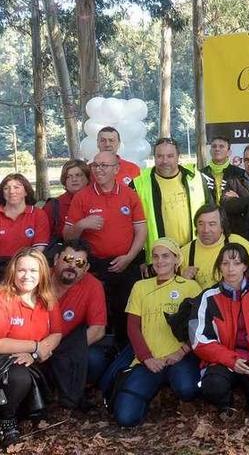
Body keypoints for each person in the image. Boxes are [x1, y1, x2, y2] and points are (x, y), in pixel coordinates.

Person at [192, 243, 249, 422]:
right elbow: (198, 340)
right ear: (219, 266)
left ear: (245, 266)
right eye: (225, 263)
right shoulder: (207, 297)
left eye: (236, 263)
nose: (230, 269)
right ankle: (225, 404)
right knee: (213, 386)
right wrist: (231, 360)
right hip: (223, 362)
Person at [111, 238, 201, 427]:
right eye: (156, 256)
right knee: (126, 418)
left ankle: (177, 394)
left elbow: (200, 327)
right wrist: (146, 358)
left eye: (166, 256)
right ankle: (148, 396)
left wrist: (181, 352)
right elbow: (132, 326)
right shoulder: (140, 287)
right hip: (148, 361)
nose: (160, 261)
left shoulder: (190, 287)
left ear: (177, 259)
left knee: (187, 389)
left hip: (178, 358)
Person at [65, 151, 146, 344]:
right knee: (98, 316)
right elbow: (67, 236)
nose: (98, 170)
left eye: (104, 165)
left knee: (127, 315)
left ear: (116, 169)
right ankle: (100, 355)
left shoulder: (130, 195)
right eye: (95, 165)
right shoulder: (82, 197)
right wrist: (82, 224)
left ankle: (125, 356)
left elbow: (141, 231)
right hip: (94, 268)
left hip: (126, 264)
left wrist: (129, 257)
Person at [0, 249, 61, 447]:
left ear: (42, 273)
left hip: (33, 358)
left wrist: (35, 353)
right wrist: (35, 346)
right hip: (4, 358)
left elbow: (57, 333)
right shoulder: (4, 297)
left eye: (33, 271)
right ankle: (7, 421)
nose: (27, 276)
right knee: (19, 377)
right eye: (21, 270)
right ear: (13, 272)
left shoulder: (48, 299)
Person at [47, 241, 109, 411]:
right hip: (36, 345)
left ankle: (79, 391)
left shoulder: (93, 285)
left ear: (86, 268)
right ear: (56, 259)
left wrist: (61, 349)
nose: (72, 266)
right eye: (68, 259)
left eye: (79, 263)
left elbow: (98, 330)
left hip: (67, 345)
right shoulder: (38, 279)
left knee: (95, 359)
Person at [131, 137, 212, 263]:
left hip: (194, 252)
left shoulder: (196, 178)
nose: (165, 161)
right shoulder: (139, 183)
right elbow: (130, 225)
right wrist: (140, 260)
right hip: (158, 258)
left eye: (170, 156)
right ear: (154, 157)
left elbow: (211, 213)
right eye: (160, 156)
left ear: (178, 156)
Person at [180, 205, 249, 290]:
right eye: (201, 224)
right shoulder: (184, 252)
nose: (206, 230)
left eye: (212, 224)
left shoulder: (237, 242)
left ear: (222, 227)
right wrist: (182, 282)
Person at [201, 136, 249, 234]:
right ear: (210, 151)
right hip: (209, 226)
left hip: (235, 226)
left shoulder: (240, 174)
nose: (217, 149)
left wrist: (238, 200)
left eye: (221, 146)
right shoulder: (201, 174)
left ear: (229, 152)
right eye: (214, 146)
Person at [0, 174, 50, 271]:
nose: (11, 191)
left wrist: (19, 268)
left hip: (26, 267)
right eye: (6, 188)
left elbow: (38, 249)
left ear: (26, 191)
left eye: (16, 187)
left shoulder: (38, 215)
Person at [43, 159, 90, 249]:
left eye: (78, 175)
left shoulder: (97, 201)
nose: (74, 179)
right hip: (66, 257)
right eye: (69, 176)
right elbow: (44, 238)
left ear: (87, 178)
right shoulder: (53, 206)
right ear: (64, 180)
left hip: (96, 256)